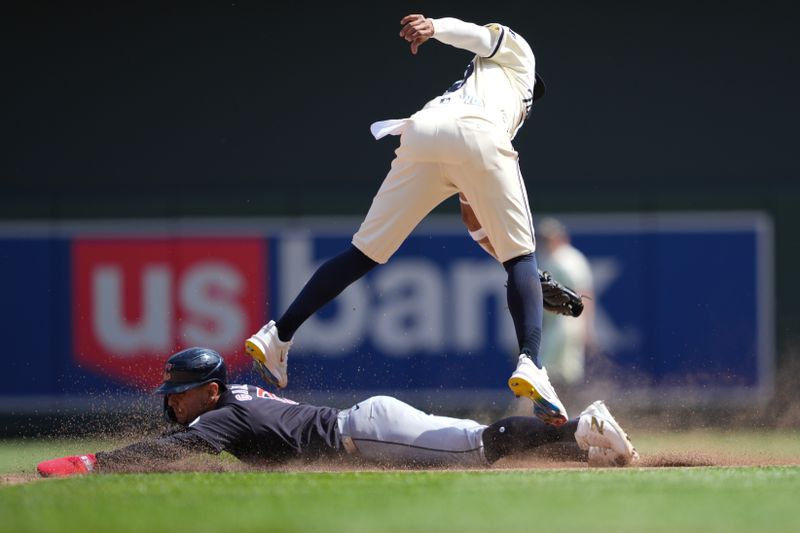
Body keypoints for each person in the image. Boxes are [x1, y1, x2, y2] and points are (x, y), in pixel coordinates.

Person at [245, 13, 568, 426]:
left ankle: (279, 334)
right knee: (522, 257)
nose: (531, 94)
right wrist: (435, 26)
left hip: (423, 130)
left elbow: (476, 219)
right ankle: (531, 362)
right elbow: (479, 36)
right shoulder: (519, 59)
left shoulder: (475, 93)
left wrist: (523, 277)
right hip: (479, 135)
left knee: (363, 252)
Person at [37, 347, 638, 477]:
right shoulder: (233, 402)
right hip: (366, 427)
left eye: (182, 390)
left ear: (210, 391)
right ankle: (591, 448)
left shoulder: (219, 416)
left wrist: (96, 462)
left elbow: (172, 451)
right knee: (474, 443)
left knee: (481, 446)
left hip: (368, 434)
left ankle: (583, 424)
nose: (172, 400)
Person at [536, 217, 595, 389]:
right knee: (561, 374)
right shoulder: (553, 258)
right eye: (543, 238)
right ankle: (564, 412)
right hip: (558, 324)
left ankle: (546, 412)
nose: (545, 242)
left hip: (566, 324)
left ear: (561, 237)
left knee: (545, 373)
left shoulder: (567, 259)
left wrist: (586, 327)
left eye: (549, 238)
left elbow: (583, 293)